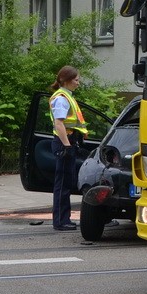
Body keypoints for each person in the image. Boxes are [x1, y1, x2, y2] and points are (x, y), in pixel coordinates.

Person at [49, 65, 88, 231]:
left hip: (67, 140)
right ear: (66, 80)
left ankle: (64, 219)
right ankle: (60, 221)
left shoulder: (66, 96)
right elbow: (59, 123)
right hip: (64, 141)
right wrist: (67, 145)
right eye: (76, 80)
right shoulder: (62, 98)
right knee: (63, 184)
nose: (78, 83)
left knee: (66, 182)